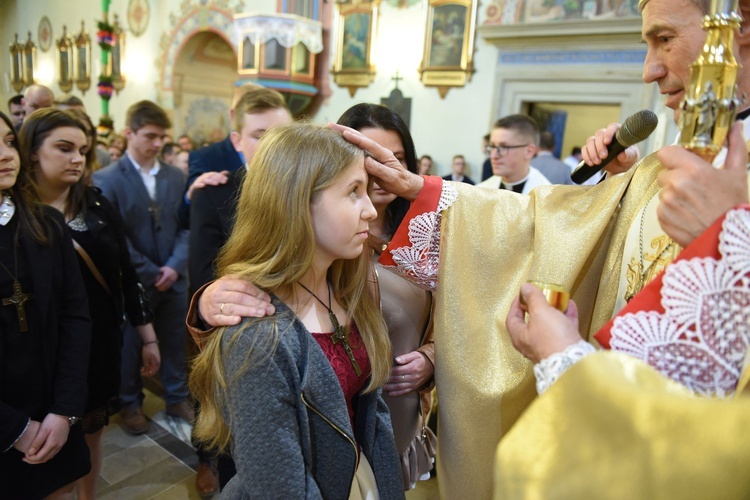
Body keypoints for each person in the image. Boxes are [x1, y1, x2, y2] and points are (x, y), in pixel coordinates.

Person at [497, 121, 750, 497]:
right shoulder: (653, 169)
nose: (651, 71)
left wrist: (566, 361)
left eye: (664, 55)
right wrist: (623, 188)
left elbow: (719, 454)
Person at [189, 123, 403, 498]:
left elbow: (374, 416)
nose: (371, 209)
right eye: (354, 192)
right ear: (297, 202)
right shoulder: (259, 334)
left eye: (366, 190)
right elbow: (279, 487)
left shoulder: (348, 290)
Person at [19, 107, 162, 499]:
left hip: (97, 339)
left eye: (83, 149)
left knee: (91, 430)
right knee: (44, 440)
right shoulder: (15, 214)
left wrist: (146, 335)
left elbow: (125, 270)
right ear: (32, 151)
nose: (78, 159)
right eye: (64, 148)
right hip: (38, 349)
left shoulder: (95, 205)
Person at [187, 87, 291, 495]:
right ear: (237, 141)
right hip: (241, 337)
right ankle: (210, 461)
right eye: (258, 134)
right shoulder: (213, 193)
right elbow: (203, 274)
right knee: (243, 451)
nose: (270, 146)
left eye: (280, 134)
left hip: (304, 334)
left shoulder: (312, 192)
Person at [0, 111, 92, 498]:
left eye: (8, 142)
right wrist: (14, 429)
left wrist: (64, 410)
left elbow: (75, 317)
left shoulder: (46, 223)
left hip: (52, 408)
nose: (6, 155)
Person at [93, 100, 192, 434]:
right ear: (129, 133)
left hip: (174, 277)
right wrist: (152, 272)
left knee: (175, 340)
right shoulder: (106, 179)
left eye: (162, 137)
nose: (157, 144)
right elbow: (113, 236)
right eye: (149, 135)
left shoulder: (175, 175)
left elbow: (186, 226)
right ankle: (130, 402)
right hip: (134, 279)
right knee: (131, 344)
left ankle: (177, 396)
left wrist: (175, 266)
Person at [477, 114, 552, 193]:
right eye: (492, 146)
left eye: (504, 147)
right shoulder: (480, 192)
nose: (493, 156)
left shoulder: (547, 199)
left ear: (529, 151)